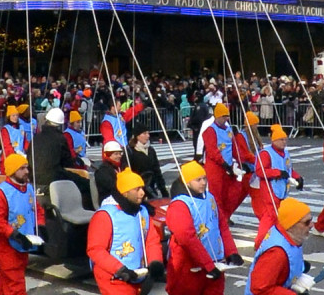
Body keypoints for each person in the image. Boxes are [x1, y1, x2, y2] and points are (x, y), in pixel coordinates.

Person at [164, 162, 238, 295]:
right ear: (187, 182)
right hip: (189, 268)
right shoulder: (179, 205)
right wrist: (208, 265)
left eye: (204, 178)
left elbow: (221, 226)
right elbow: (187, 239)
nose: (203, 183)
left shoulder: (210, 198)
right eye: (198, 180)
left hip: (214, 263)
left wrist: (231, 252)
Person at [86, 169, 161, 295]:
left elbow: (151, 240)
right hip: (114, 278)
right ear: (125, 193)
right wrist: (119, 269)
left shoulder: (142, 211)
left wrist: (155, 261)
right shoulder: (105, 215)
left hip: (137, 275)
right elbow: (95, 249)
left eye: (142, 188)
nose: (143, 193)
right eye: (137, 189)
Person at [0, 154, 44, 295]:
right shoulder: (0, 193)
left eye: (26, 167)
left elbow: (36, 209)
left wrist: (41, 226)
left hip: (22, 243)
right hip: (5, 245)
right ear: (12, 171)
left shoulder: (28, 188)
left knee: (6, 282)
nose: (27, 171)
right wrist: (13, 234)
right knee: (15, 283)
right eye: (22, 168)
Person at [246, 198, 313, 295]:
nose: (312, 225)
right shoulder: (276, 253)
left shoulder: (287, 234)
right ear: (292, 225)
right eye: (306, 222)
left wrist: (301, 267)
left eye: (311, 220)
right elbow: (259, 288)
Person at [250, 127, 303, 242]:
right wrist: (278, 173)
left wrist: (297, 177)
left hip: (282, 189)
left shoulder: (285, 153)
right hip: (270, 189)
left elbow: (288, 169)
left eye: (285, 139)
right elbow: (260, 171)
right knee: (270, 216)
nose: (284, 142)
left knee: (277, 216)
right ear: (274, 141)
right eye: (281, 140)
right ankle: (260, 242)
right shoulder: (266, 153)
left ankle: (273, 239)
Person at [200, 104, 252, 219]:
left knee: (233, 192)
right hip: (216, 167)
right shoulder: (210, 131)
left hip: (228, 166)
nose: (225, 119)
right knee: (217, 195)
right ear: (217, 116)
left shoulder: (228, 129)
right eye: (223, 116)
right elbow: (212, 151)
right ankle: (218, 219)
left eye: (227, 116)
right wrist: (224, 164)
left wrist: (240, 161)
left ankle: (225, 216)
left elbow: (234, 147)